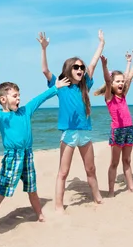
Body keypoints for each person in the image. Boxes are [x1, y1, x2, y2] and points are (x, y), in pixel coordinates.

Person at [0, 76, 71, 234]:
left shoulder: (25, 111)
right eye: (15, 96)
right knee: (0, 192)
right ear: (3, 99)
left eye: (19, 95)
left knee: (32, 188)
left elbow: (39, 99)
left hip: (27, 155)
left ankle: (40, 214)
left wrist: (55, 88)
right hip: (12, 157)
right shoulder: (0, 117)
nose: (18, 98)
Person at [38, 30, 105, 212]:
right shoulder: (61, 85)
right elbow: (45, 70)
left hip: (85, 133)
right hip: (69, 133)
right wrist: (44, 48)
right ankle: (59, 205)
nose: (80, 70)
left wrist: (101, 44)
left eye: (81, 68)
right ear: (69, 69)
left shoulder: (86, 86)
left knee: (90, 169)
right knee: (64, 171)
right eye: (76, 67)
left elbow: (93, 64)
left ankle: (98, 197)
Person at [93, 49, 133, 197]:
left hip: (129, 130)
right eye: (118, 81)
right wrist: (104, 66)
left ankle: (131, 186)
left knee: (127, 160)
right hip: (118, 131)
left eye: (122, 81)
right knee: (114, 163)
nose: (121, 83)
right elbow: (108, 81)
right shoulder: (109, 97)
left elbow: (127, 79)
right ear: (112, 83)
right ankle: (111, 191)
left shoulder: (124, 95)